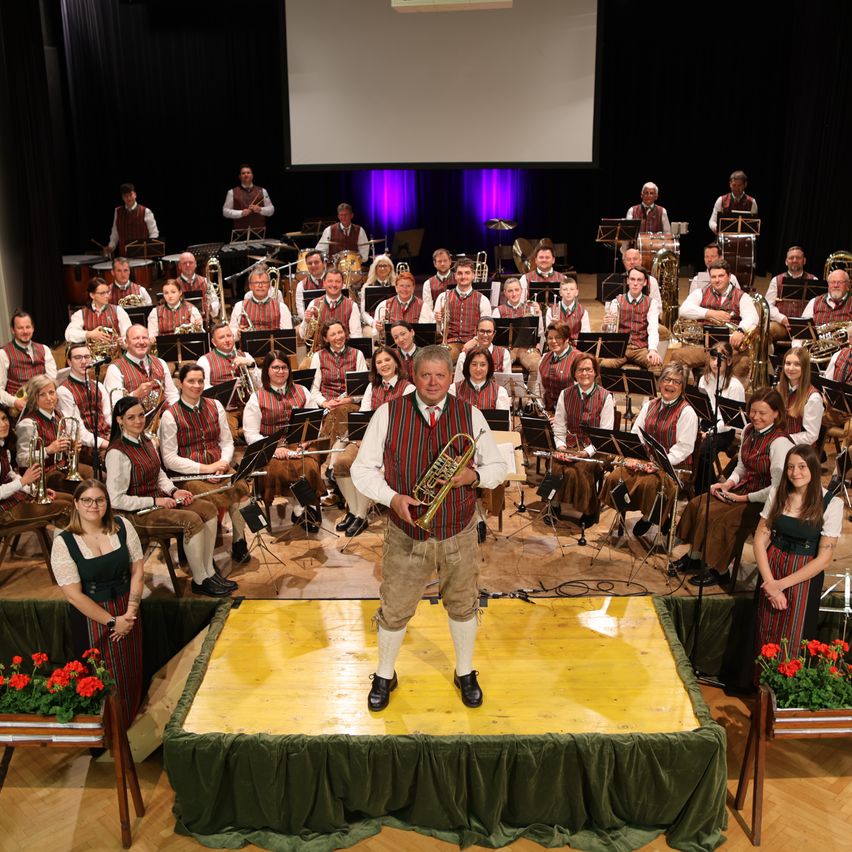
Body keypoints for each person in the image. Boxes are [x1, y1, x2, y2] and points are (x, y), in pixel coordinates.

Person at [351, 345, 507, 711]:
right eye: (426, 375)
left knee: (464, 604)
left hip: (458, 528)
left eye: (441, 375)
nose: (433, 382)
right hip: (407, 532)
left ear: (451, 377)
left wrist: (475, 475)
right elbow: (361, 469)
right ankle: (385, 673)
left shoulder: (470, 414)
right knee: (395, 606)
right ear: (413, 376)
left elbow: (499, 467)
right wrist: (391, 498)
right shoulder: (387, 413)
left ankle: (465, 671)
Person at [106, 396, 230, 597]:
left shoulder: (145, 440)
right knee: (191, 521)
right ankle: (200, 580)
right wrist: (157, 501)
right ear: (120, 420)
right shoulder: (117, 453)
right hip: (136, 514)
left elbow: (159, 473)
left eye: (140, 415)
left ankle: (209, 572)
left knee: (208, 509)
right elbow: (116, 499)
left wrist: (173, 491)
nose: (138, 421)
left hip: (159, 502)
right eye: (131, 418)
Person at [50, 479, 145, 728]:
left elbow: (137, 571)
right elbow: (74, 595)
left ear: (107, 502)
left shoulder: (122, 526)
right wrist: (113, 622)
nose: (94, 506)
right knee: (102, 677)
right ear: (76, 504)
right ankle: (107, 734)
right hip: (92, 617)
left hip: (127, 610)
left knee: (130, 672)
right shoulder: (64, 542)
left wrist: (130, 613)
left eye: (100, 500)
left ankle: (130, 727)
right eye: (87, 500)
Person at [675, 388, 793, 584]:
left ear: (776, 414)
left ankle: (719, 570)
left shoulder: (779, 443)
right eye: (753, 411)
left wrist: (744, 498)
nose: (755, 417)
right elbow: (741, 467)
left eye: (762, 413)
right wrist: (727, 484)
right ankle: (695, 557)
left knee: (724, 519)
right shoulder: (748, 431)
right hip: (743, 489)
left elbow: (777, 488)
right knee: (699, 504)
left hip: (764, 501)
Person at [753, 445, 842, 666]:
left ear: (813, 467)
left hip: (803, 576)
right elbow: (760, 538)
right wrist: (769, 582)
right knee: (764, 627)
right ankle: (760, 688)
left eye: (802, 466)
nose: (795, 473)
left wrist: (780, 585)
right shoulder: (778, 493)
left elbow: (824, 559)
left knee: (794, 635)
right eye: (790, 467)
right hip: (771, 567)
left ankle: (785, 689)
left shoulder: (832, 503)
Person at [159, 363, 253, 564]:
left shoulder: (215, 405)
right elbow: (169, 458)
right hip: (188, 474)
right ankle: (204, 558)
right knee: (207, 498)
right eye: (191, 381)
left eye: (200, 381)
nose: (197, 385)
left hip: (217, 465)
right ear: (181, 384)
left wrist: (221, 463)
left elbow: (226, 442)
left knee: (240, 487)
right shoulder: (170, 415)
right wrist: (204, 469)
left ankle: (239, 541)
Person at [600, 363, 698, 539]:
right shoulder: (649, 404)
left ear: (682, 388)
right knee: (616, 477)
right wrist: (633, 457)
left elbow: (684, 447)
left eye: (676, 382)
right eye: (667, 379)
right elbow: (636, 433)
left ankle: (649, 517)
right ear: (660, 383)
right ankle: (636, 510)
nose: (670, 385)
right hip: (645, 459)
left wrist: (659, 463)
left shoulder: (687, 412)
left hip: (673, 464)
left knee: (650, 484)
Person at [333, 346, 414, 538]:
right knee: (341, 464)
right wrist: (361, 439)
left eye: (387, 360)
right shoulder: (372, 387)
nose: (384, 365)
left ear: (396, 363)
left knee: (364, 468)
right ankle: (354, 511)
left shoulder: (408, 388)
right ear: (375, 368)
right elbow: (364, 415)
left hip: (393, 444)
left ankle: (362, 516)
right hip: (368, 439)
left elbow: (406, 423)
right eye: (379, 362)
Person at [242, 351, 323, 532]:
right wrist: (274, 449)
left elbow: (314, 421)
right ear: (267, 371)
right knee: (280, 469)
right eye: (275, 367)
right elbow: (250, 434)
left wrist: (307, 441)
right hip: (270, 447)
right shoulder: (256, 398)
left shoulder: (302, 391)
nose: (280, 371)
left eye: (284, 367)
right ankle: (300, 508)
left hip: (299, 443)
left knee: (308, 466)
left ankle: (301, 508)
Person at [551, 354, 615, 525]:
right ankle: (554, 504)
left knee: (581, 468)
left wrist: (586, 452)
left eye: (588, 369)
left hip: (595, 448)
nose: (584, 373)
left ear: (595, 373)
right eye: (580, 370)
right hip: (570, 445)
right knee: (556, 464)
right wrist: (561, 447)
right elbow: (559, 425)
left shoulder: (606, 396)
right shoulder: (565, 394)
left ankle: (589, 510)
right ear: (574, 373)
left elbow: (605, 433)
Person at [666, 260, 757, 373]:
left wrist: (740, 330)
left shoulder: (742, 296)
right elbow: (683, 310)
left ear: (729, 277)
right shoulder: (701, 292)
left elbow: (752, 317)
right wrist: (710, 313)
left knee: (743, 362)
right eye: (713, 277)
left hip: (730, 348)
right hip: (705, 347)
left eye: (721, 276)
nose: (717, 280)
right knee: (677, 355)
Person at [15, 375, 93, 492]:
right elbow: (21, 459)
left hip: (61, 467)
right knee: (83, 488)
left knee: (97, 475)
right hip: (40, 475)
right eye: (42, 394)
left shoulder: (58, 415)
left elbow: (63, 449)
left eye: (51, 392)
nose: (49, 398)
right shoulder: (28, 423)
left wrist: (71, 448)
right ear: (34, 398)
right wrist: (48, 450)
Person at [692, 342, 745, 496]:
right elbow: (700, 410)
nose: (715, 363)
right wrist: (697, 430)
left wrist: (708, 432)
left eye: (720, 359)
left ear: (729, 362)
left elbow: (731, 421)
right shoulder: (704, 379)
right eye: (713, 358)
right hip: (705, 425)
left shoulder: (735, 386)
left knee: (703, 451)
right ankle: (695, 480)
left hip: (724, 430)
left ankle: (703, 492)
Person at [0, 405, 72, 521]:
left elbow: (10, 475)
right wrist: (23, 481)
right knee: (68, 506)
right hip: (5, 511)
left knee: (71, 499)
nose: (3, 424)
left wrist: (35, 490)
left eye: (4, 418)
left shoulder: (4, 449)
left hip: (15, 497)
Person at [197, 322, 261, 438]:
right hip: (226, 409)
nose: (227, 340)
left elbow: (260, 385)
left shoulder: (246, 356)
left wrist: (251, 366)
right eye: (221, 337)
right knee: (231, 435)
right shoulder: (204, 360)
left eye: (229, 336)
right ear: (213, 342)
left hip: (249, 406)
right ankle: (246, 433)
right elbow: (203, 390)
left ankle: (247, 432)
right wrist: (228, 388)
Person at [307, 320, 368, 440]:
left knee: (340, 411)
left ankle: (325, 450)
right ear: (325, 338)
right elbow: (313, 390)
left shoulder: (358, 354)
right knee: (334, 413)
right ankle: (334, 453)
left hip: (351, 404)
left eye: (340, 332)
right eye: (333, 334)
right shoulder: (317, 356)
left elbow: (364, 389)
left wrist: (348, 400)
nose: (338, 337)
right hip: (327, 406)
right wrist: (325, 403)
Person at [600, 266, 663, 372]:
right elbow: (609, 330)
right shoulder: (617, 301)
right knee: (603, 365)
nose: (635, 283)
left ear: (645, 283)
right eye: (632, 279)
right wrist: (605, 325)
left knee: (656, 366)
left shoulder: (651, 303)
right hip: (621, 348)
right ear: (628, 280)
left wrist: (652, 350)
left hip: (640, 349)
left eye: (639, 280)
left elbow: (653, 329)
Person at [56, 343, 112, 464]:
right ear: (69, 362)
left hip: (105, 439)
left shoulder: (99, 386)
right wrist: (106, 444)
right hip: (86, 448)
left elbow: (108, 418)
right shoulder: (64, 391)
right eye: (78, 357)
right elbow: (77, 432)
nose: (83, 361)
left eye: (87, 357)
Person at [103, 325, 179, 407]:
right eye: (136, 338)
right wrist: (134, 395)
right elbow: (114, 406)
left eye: (145, 338)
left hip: (162, 417)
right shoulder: (115, 369)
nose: (142, 342)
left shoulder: (161, 363)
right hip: (134, 419)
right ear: (126, 342)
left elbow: (172, 396)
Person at [433, 258, 492, 363]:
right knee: (437, 359)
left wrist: (474, 341)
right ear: (455, 276)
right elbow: (438, 331)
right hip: (450, 344)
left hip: (474, 344)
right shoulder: (443, 297)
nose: (463, 276)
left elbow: (486, 331)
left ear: (473, 275)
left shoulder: (483, 300)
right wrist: (438, 321)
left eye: (467, 273)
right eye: (460, 273)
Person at [0, 311, 57, 414]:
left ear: (33, 328)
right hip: (20, 411)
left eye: (28, 327)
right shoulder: (3, 353)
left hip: (45, 407)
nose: (25, 331)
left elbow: (52, 379)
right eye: (20, 328)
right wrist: (15, 402)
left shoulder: (44, 349)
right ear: (13, 330)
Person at [492, 277, 543, 378]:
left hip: (526, 349)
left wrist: (539, 315)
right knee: (497, 364)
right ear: (505, 293)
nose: (514, 294)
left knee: (536, 364)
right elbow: (494, 335)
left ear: (521, 291)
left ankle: (532, 392)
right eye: (510, 291)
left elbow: (540, 332)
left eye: (516, 290)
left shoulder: (531, 308)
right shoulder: (498, 311)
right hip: (506, 349)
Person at [298, 268, 362, 346]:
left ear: (343, 285)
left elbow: (356, 336)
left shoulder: (352, 306)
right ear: (324, 283)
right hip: (320, 352)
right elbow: (303, 335)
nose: (334, 285)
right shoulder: (314, 303)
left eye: (337, 282)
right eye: (330, 281)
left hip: (343, 351)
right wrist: (307, 321)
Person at [765, 246, 816, 340]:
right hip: (782, 325)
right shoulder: (776, 280)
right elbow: (768, 306)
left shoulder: (814, 280)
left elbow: (816, 308)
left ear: (804, 261)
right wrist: (783, 319)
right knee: (768, 330)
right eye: (791, 258)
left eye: (798, 258)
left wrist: (802, 323)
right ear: (786, 261)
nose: (795, 260)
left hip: (805, 327)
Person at [229, 264, 294, 337]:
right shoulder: (239, 306)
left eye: (264, 282)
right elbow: (231, 334)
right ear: (250, 286)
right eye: (256, 283)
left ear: (269, 285)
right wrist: (237, 333)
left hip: (274, 348)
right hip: (248, 348)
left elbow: (288, 336)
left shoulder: (282, 308)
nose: (260, 286)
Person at [776, 348, 823, 446]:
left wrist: (782, 440)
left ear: (805, 368)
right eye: (788, 363)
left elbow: (811, 435)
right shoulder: (779, 387)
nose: (791, 368)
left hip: (799, 449)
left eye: (797, 364)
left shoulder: (813, 397)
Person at [65, 278, 132, 346]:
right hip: (91, 355)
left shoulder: (118, 311)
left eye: (108, 292)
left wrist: (123, 342)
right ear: (92, 295)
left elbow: (129, 335)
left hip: (115, 354)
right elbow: (69, 334)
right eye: (102, 293)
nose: (107, 296)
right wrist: (89, 334)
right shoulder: (80, 314)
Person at [534, 322, 580, 412]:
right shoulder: (544, 358)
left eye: (558, 337)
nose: (553, 341)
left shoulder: (578, 359)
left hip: (571, 412)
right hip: (548, 411)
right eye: (550, 338)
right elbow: (539, 387)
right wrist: (540, 408)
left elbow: (580, 394)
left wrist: (561, 416)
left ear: (567, 339)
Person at [368, 271, 429, 339]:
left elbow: (425, 333)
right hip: (391, 348)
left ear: (413, 287)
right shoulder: (384, 305)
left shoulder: (423, 306)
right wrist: (379, 330)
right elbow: (375, 336)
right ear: (396, 287)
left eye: (408, 286)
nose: (404, 289)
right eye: (401, 286)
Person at [106, 183, 158, 256]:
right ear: (122, 197)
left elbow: (154, 232)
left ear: (135, 195)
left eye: (130, 195)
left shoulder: (146, 211)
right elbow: (115, 233)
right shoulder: (117, 211)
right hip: (124, 257)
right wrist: (111, 247)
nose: (128, 198)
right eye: (125, 196)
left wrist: (148, 247)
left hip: (142, 257)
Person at [454, 317, 511, 383]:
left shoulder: (504, 354)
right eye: (482, 331)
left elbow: (507, 383)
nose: (485, 335)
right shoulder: (464, 356)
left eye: (489, 332)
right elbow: (458, 384)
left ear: (494, 334)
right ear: (476, 331)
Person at [222, 164, 274, 236]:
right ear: (240, 177)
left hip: (259, 232)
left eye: (248, 172)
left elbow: (271, 210)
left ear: (252, 175)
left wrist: (260, 209)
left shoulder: (262, 191)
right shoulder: (231, 192)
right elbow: (225, 212)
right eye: (243, 173)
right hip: (240, 234)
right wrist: (241, 213)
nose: (246, 175)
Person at [709, 170, 758, 235]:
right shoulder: (721, 200)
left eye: (739, 185)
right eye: (734, 185)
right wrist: (715, 227)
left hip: (743, 240)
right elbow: (712, 221)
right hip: (724, 239)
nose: (737, 188)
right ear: (730, 184)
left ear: (745, 185)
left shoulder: (752, 202)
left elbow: (753, 226)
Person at [177, 251, 220, 323]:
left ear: (195, 264)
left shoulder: (206, 282)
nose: (188, 265)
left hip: (204, 322)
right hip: (182, 324)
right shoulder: (175, 285)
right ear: (179, 266)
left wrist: (210, 308)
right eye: (184, 263)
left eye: (190, 262)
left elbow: (215, 301)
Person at [543, 277, 589, 343]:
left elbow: (586, 336)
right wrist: (552, 326)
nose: (568, 292)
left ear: (576, 292)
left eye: (572, 289)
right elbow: (547, 336)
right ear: (560, 293)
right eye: (565, 289)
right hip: (557, 346)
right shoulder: (551, 311)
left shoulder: (583, 312)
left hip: (575, 348)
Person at [294, 249, 327, 321]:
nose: (313, 265)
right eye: (310, 263)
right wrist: (312, 320)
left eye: (316, 262)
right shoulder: (301, 285)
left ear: (324, 264)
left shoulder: (334, 280)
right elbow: (300, 310)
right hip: (311, 322)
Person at [420, 248, 454, 316]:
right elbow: (428, 310)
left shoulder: (458, 278)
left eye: (445, 260)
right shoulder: (428, 284)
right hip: (436, 321)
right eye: (439, 261)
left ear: (450, 262)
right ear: (435, 264)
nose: (442, 264)